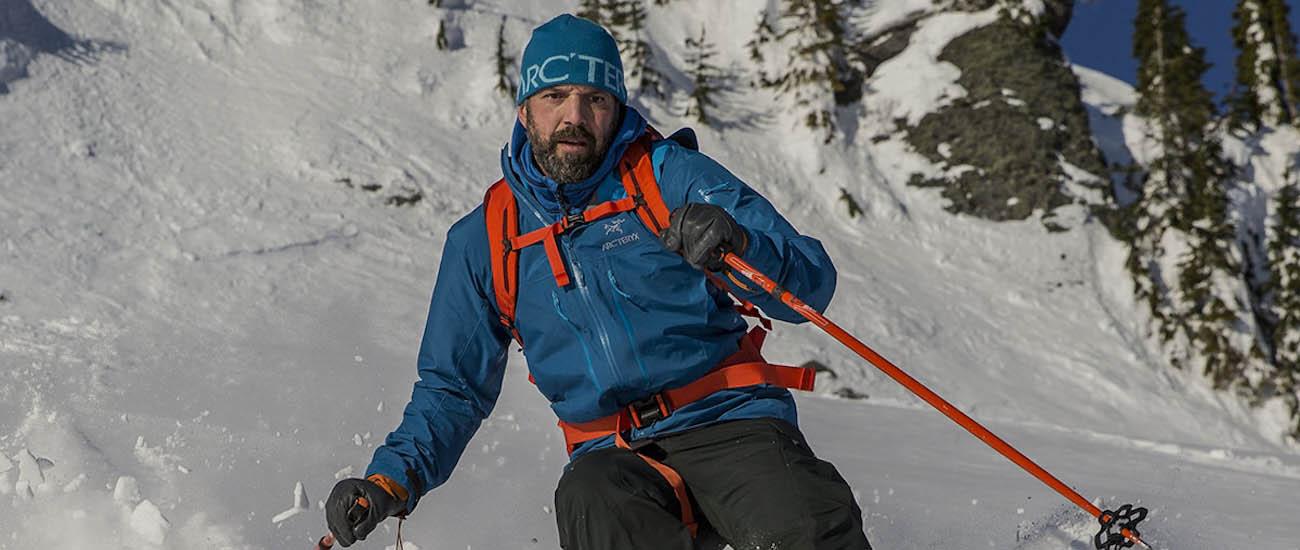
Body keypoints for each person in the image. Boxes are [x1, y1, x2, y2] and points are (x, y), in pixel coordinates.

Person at [325, 13, 871, 550]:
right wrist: (388, 481)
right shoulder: (487, 239)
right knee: (588, 498)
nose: (575, 116)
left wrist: (741, 246)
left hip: (730, 423)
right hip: (612, 457)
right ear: (524, 110)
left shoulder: (668, 176)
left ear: (617, 110)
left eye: (595, 99)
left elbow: (810, 284)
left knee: (806, 527)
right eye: (555, 97)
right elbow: (453, 388)